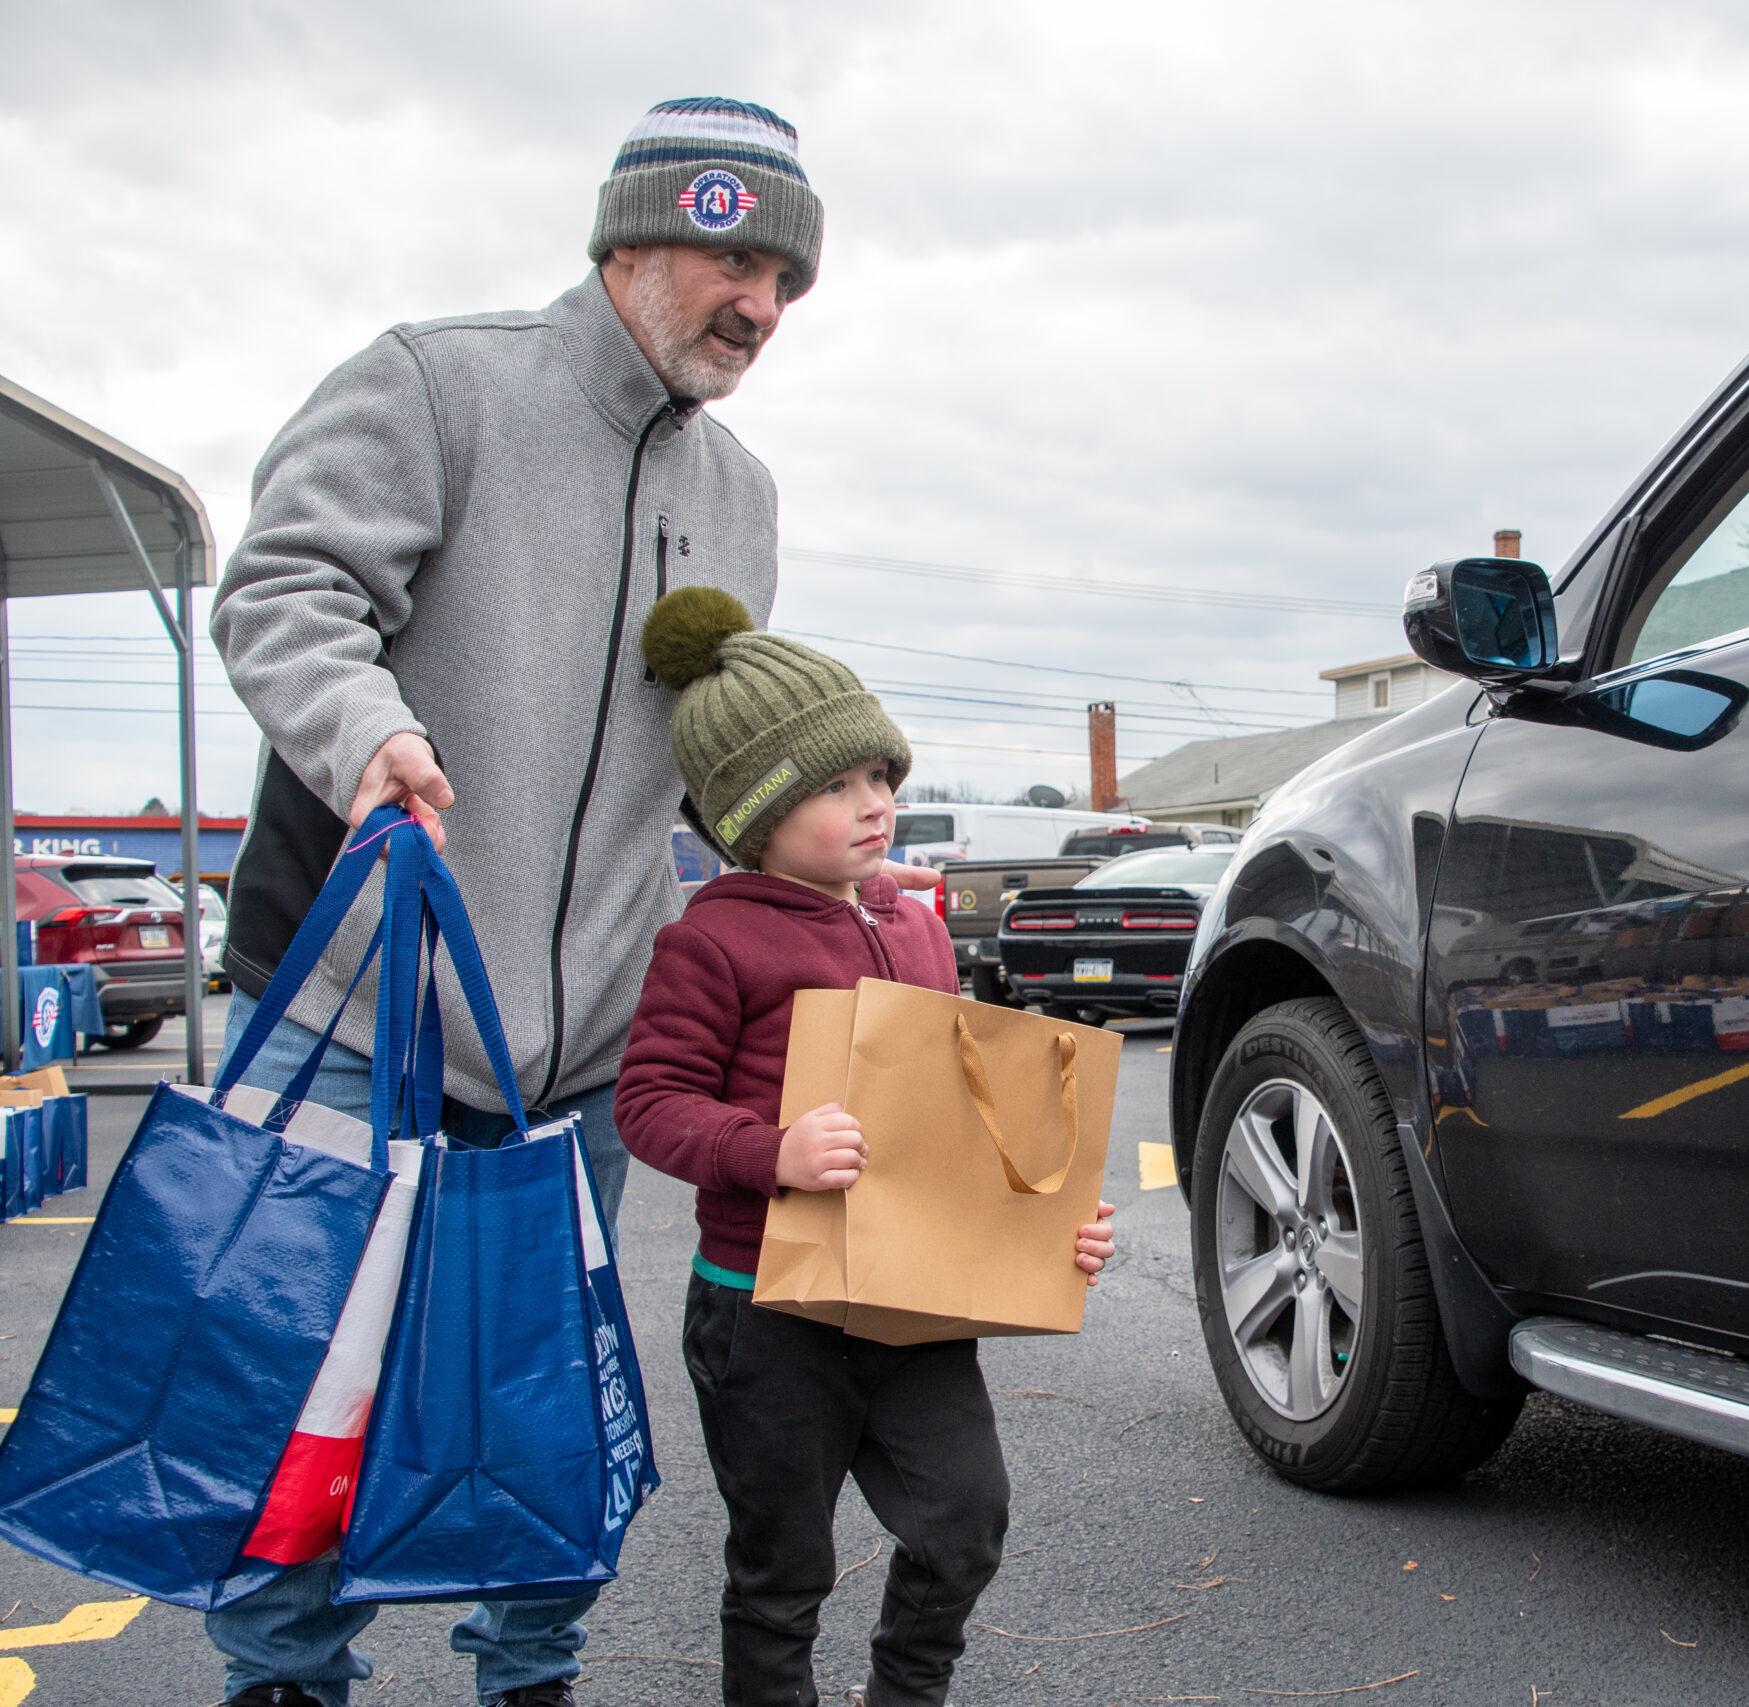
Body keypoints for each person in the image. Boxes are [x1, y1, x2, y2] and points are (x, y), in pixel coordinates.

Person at [209, 97, 925, 1707]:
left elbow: (723, 771)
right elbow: (282, 589)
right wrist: (365, 728)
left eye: (788, 282)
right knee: (309, 1395)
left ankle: (528, 1675)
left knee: (538, 1399)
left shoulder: (741, 493)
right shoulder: (437, 382)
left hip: (585, 1054)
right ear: (632, 236)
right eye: (734, 257)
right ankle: (286, 1679)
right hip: (363, 1013)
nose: (761, 305)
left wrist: (846, 871)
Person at [614, 590, 1118, 1707]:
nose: (874, 804)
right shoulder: (711, 943)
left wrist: (1051, 1229)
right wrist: (770, 1151)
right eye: (834, 786)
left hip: (909, 1302)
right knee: (781, 1568)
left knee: (965, 1523)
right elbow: (649, 1102)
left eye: (880, 777)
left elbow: (964, 1118)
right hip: (765, 1313)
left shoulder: (918, 925)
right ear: (750, 813)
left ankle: (906, 1689)